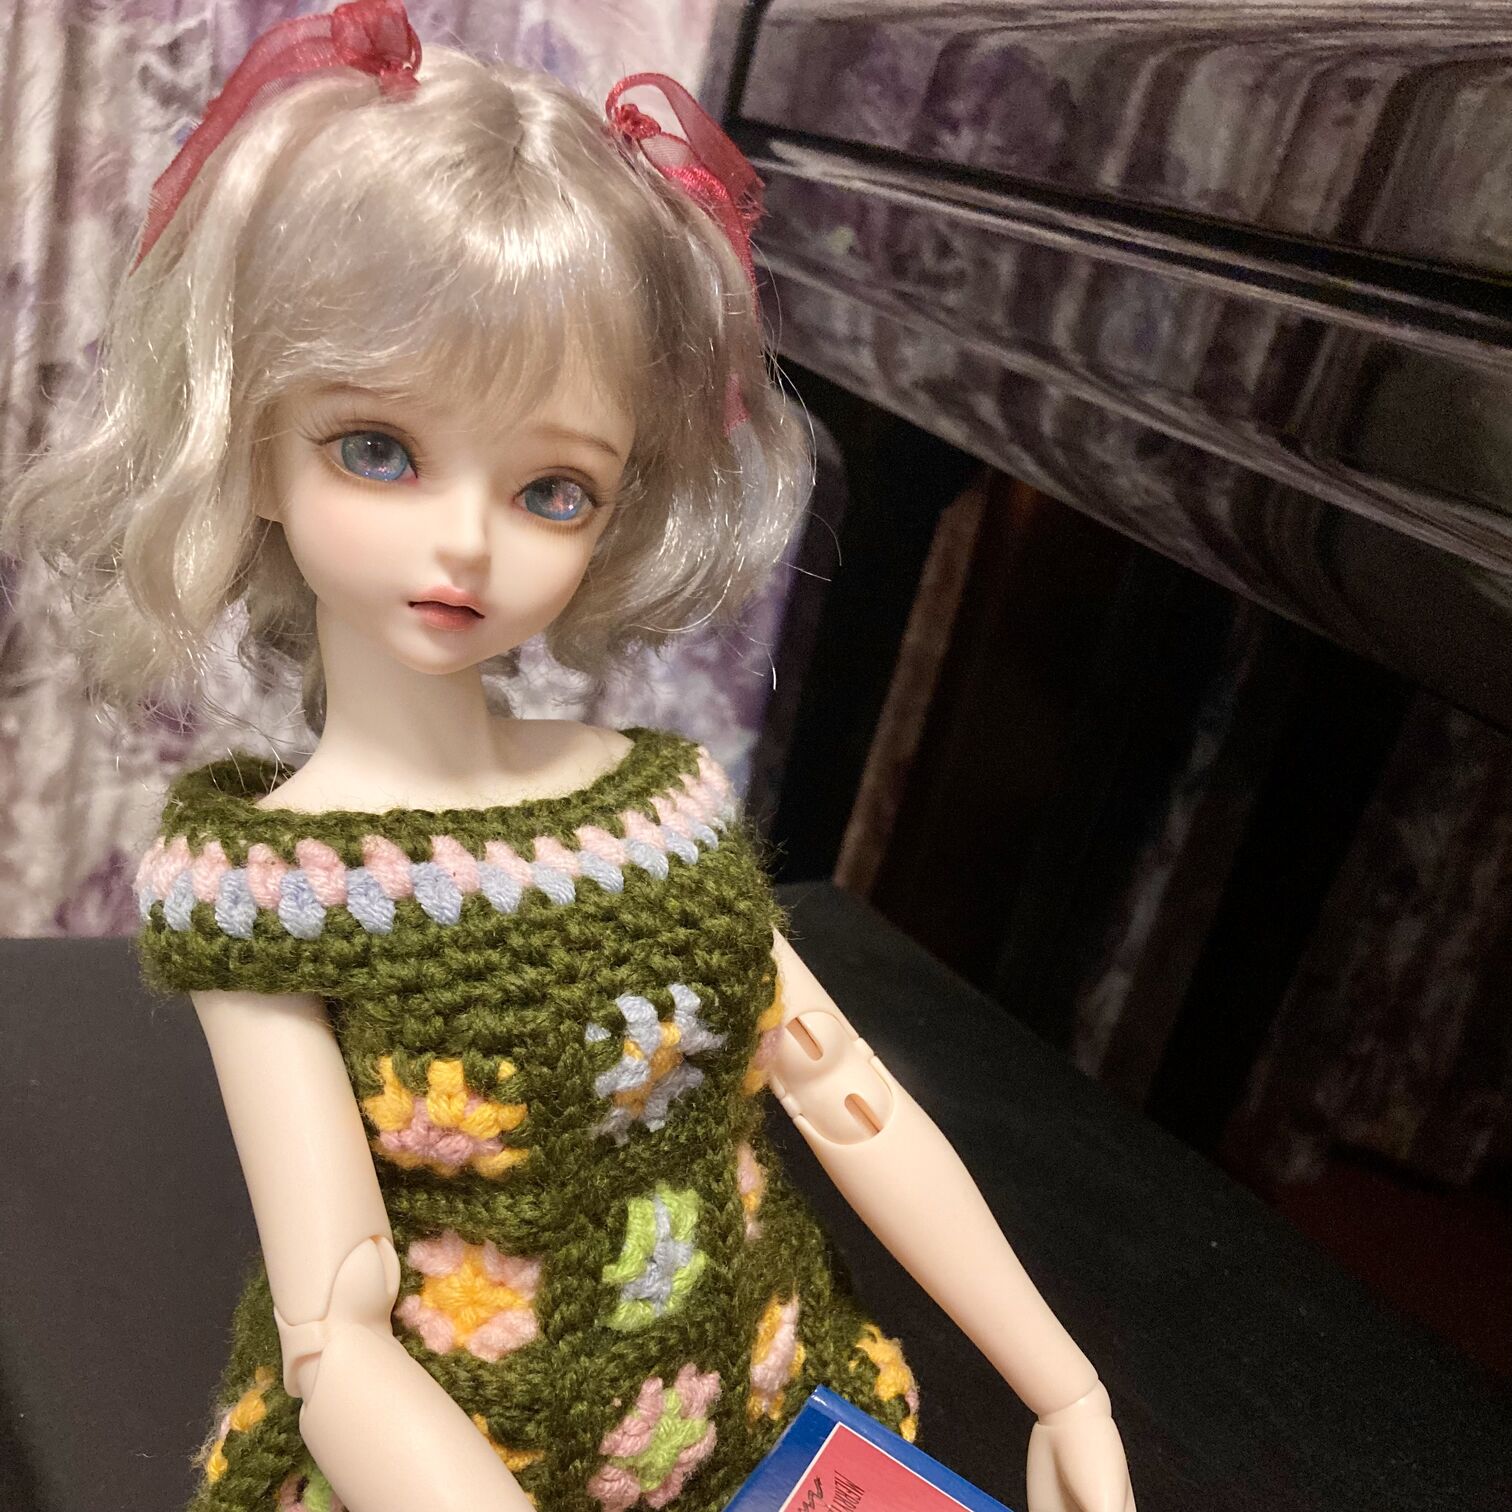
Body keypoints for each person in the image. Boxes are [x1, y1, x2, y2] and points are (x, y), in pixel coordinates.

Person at [1, 4, 1137, 1510]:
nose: (466, 542)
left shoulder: (657, 805)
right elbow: (337, 1333)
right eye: (378, 449)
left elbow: (838, 1088)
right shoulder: (273, 893)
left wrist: (1062, 1378)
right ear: (254, 440)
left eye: (553, 489)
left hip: (759, 1404)